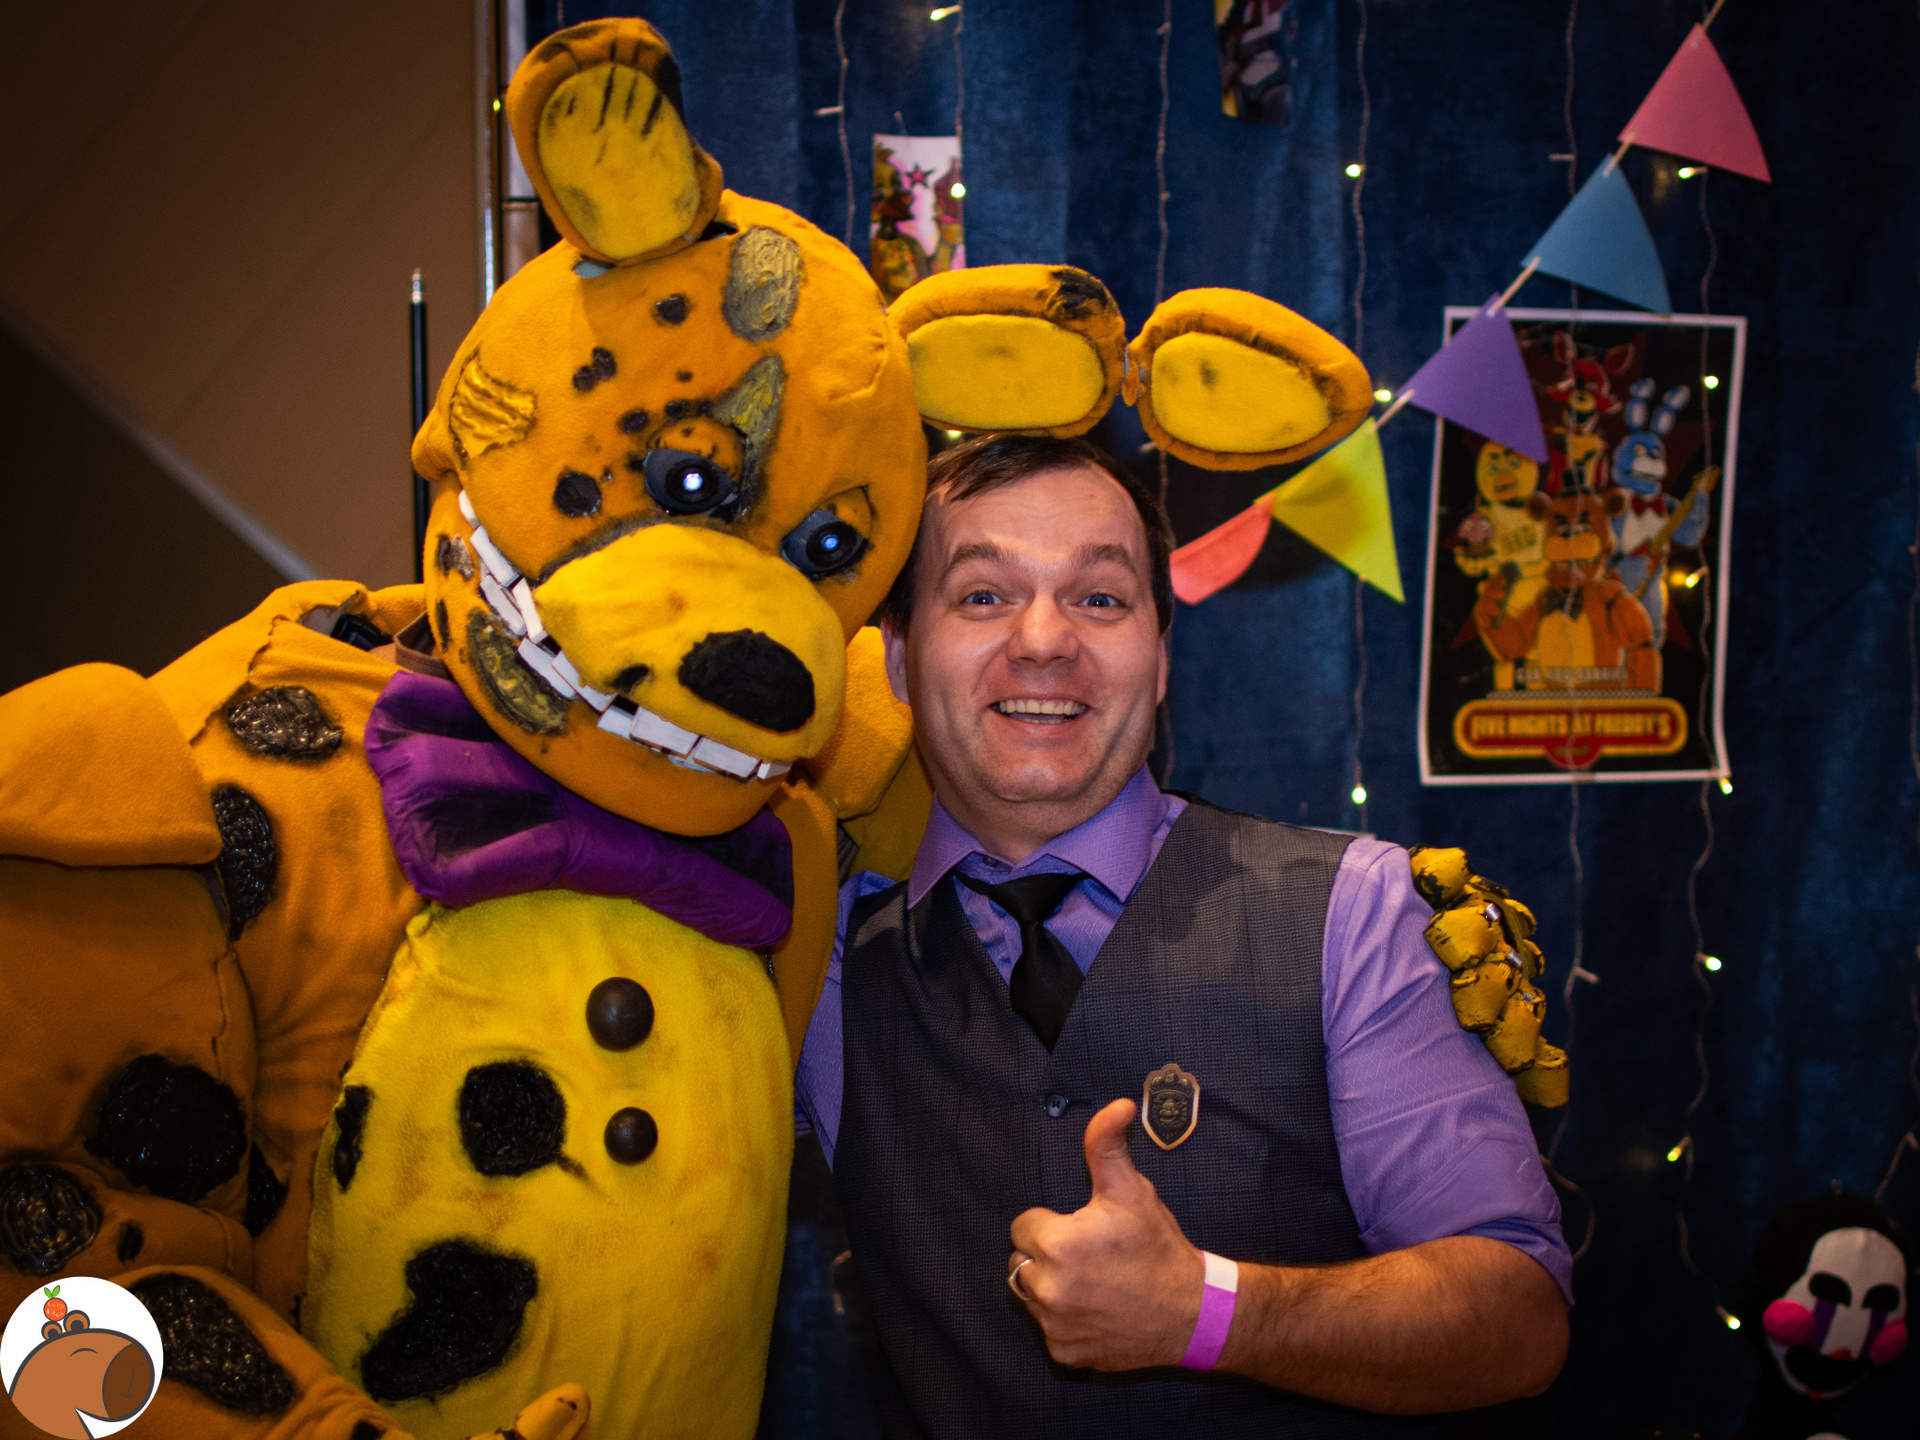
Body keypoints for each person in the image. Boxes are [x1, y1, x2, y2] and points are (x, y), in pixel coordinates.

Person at [795, 433, 1571, 1436]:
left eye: (1100, 597)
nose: (1044, 639)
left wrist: (1209, 1314)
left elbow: (1519, 1321)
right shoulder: (814, 969)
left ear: (1159, 660)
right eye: (983, 595)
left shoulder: (1357, 911)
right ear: (897, 660)